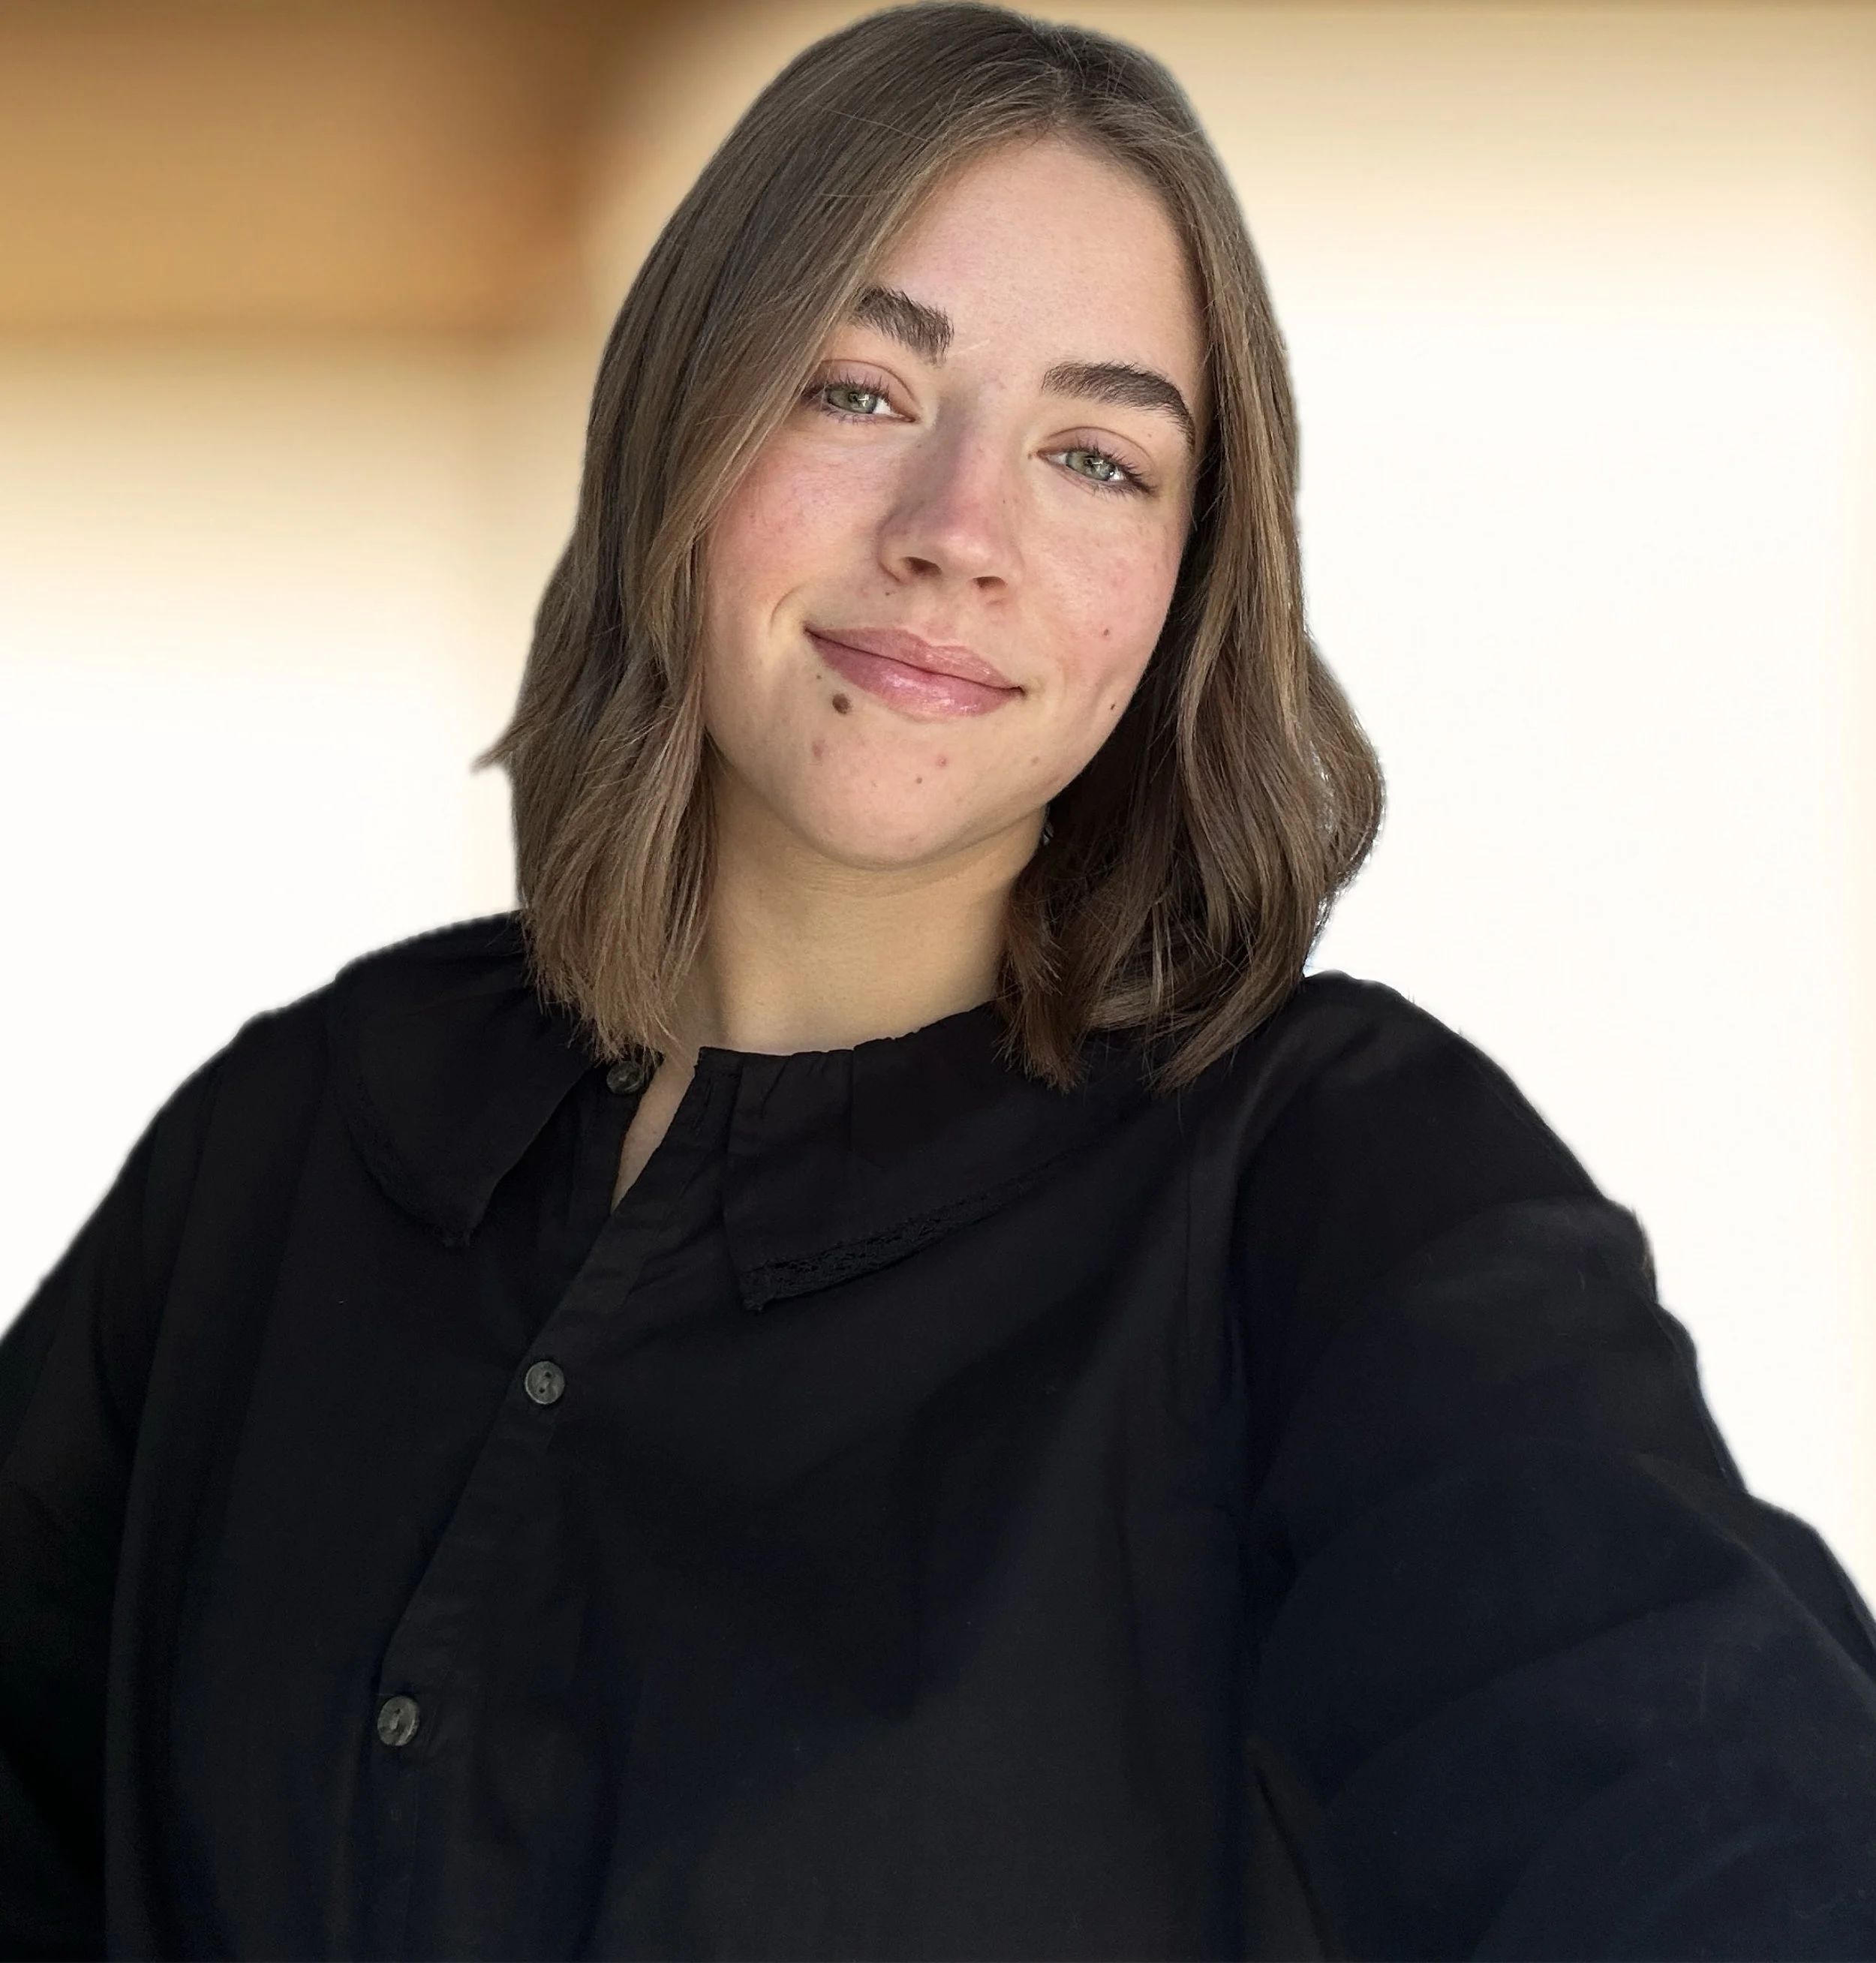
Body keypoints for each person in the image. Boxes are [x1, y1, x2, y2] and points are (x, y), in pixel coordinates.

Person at [3, 4, 1873, 1956]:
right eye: (860, 389)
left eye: (1097, 455)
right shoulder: (290, 1146)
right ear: (680, 423)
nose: (958, 536)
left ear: (1186, 581)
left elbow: (1688, 1780)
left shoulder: (1331, 1185)